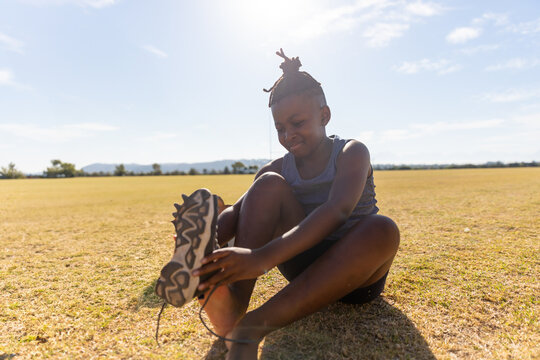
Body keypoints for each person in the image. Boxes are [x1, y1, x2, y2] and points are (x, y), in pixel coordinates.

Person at [160, 49, 400, 360]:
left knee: (382, 229)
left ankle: (251, 327)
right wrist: (205, 240)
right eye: (280, 128)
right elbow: (237, 212)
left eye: (297, 122)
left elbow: (337, 210)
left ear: (324, 116)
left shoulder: (351, 153)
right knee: (266, 186)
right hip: (302, 266)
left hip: (357, 276)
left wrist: (260, 258)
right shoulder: (276, 168)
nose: (288, 134)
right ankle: (227, 304)